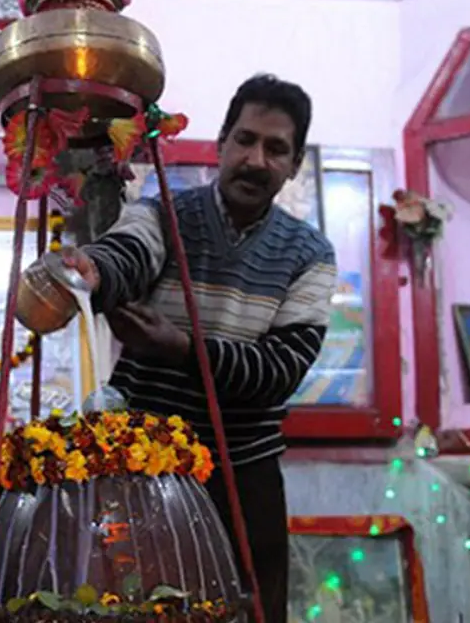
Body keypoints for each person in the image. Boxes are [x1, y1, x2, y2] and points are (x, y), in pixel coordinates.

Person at [61, 74, 337, 622]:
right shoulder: (166, 212)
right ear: (222, 143)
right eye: (245, 140)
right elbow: (127, 253)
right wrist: (97, 271)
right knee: (132, 607)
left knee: (251, 610)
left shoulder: (310, 255)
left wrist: (184, 348)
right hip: (145, 466)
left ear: (295, 163)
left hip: (244, 471)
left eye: (276, 148)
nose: (256, 160)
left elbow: (277, 372)